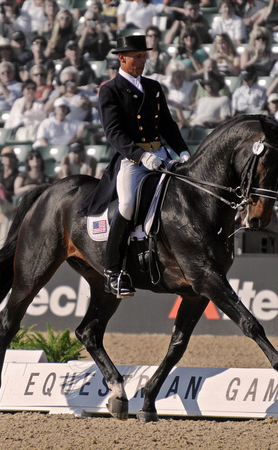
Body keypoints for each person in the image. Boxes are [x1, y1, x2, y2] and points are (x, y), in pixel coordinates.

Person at [79, 35, 191, 298]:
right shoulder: (110, 89)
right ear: (122, 58)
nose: (142, 61)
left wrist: (183, 151)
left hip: (162, 156)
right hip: (132, 161)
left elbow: (167, 125)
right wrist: (141, 157)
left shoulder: (153, 87)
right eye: (137, 57)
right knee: (127, 204)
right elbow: (114, 133)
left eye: (144, 56)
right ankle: (114, 271)